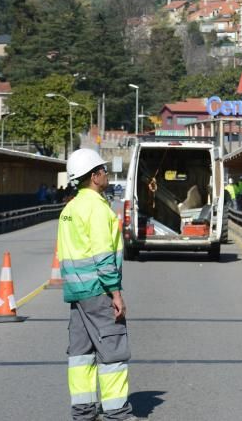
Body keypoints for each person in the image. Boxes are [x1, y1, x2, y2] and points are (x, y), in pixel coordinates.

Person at [57, 148, 134, 421]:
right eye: (102, 170)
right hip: (99, 291)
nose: (106, 173)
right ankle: (117, 414)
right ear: (94, 176)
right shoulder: (97, 209)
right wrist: (116, 294)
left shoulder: (69, 209)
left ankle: (83, 411)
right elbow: (102, 257)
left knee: (81, 353)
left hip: (77, 293)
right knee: (112, 351)